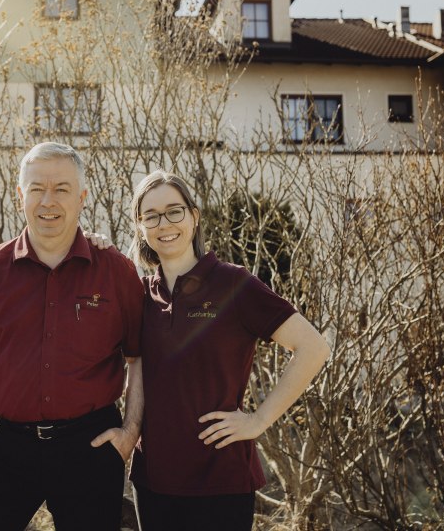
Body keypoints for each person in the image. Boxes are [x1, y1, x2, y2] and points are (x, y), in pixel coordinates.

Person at [0, 142, 144, 531]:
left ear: (81, 197)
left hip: (91, 447)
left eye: (62, 189)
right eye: (37, 188)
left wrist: (130, 431)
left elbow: (139, 358)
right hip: (6, 448)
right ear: (20, 196)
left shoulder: (116, 272)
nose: (49, 201)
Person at [127, 170, 330, 531]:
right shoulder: (140, 294)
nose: (164, 223)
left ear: (194, 216)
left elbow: (312, 347)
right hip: (153, 480)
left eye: (175, 211)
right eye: (151, 215)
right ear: (140, 226)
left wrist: (258, 420)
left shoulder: (234, 284)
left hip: (220, 480)